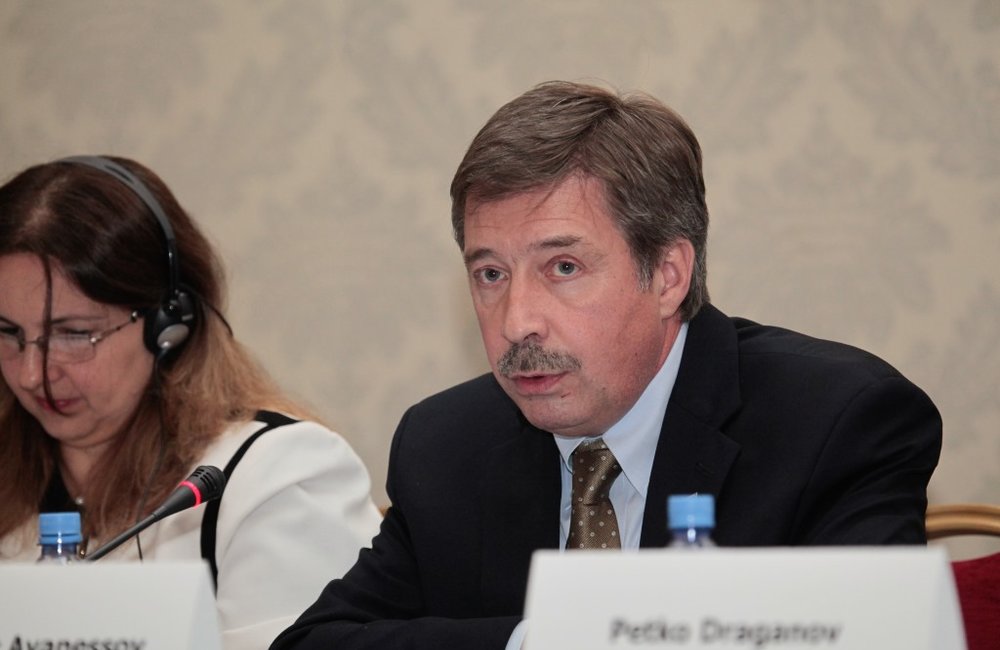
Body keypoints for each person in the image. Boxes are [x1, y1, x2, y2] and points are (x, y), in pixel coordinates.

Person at [271, 81, 942, 650]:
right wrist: (545, 640)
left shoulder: (836, 423)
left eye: (563, 267)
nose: (516, 321)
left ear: (669, 274)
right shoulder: (448, 445)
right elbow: (315, 643)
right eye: (491, 273)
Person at [0, 155, 383, 649]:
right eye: (7, 333)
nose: (33, 374)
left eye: (74, 334)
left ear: (170, 323)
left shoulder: (272, 477)